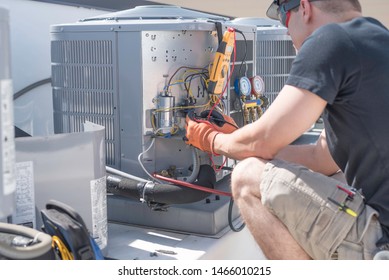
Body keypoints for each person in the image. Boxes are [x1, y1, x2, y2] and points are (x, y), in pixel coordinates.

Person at [184, 0, 389, 259]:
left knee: (247, 178)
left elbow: (264, 141)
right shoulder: (378, 38)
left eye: (282, 16)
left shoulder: (330, 39)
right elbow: (322, 158)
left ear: (304, 7)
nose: (285, 30)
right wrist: (238, 138)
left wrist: (211, 139)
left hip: (381, 240)